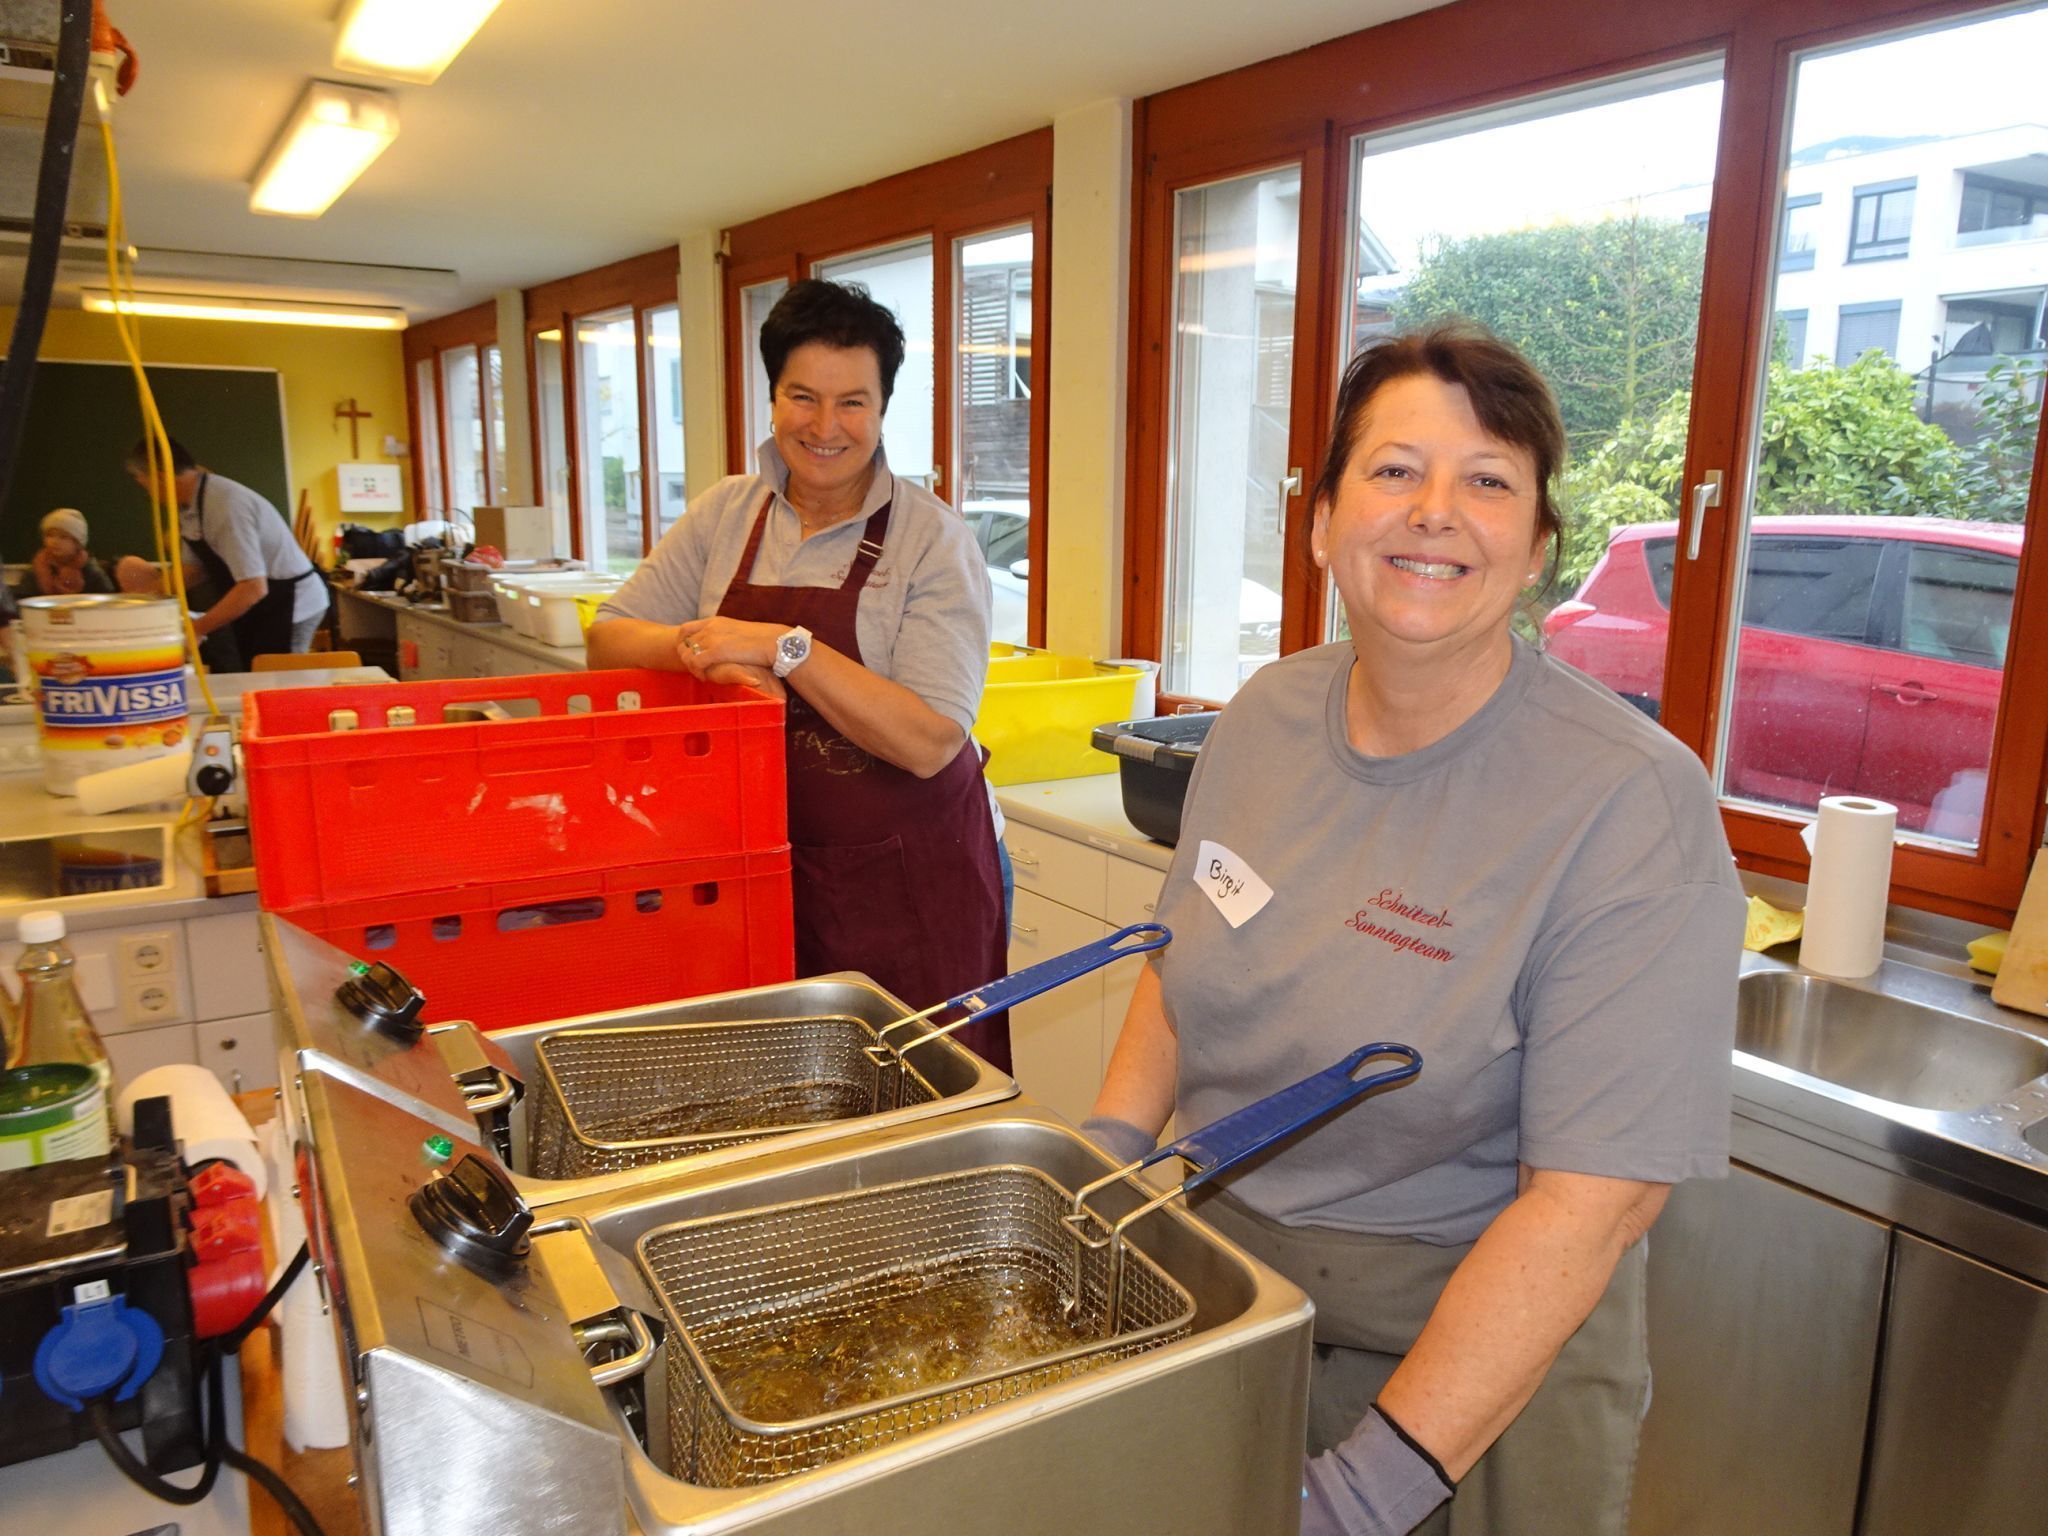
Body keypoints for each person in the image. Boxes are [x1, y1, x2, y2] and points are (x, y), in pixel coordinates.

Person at [1083, 321, 1744, 1535]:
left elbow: (1591, 1202)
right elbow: (1180, 970)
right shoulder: (1261, 717)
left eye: (1486, 480)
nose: (1435, 510)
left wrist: (1366, 1492)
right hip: (1230, 1299)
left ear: (1536, 548)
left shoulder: (1627, 803)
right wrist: (1099, 1171)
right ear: (1324, 519)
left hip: (1476, 1359)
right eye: (1393, 470)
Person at [586, 279, 1009, 1068]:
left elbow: (927, 742)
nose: (824, 427)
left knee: (913, 1108)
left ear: (883, 410)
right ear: (772, 396)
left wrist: (787, 645)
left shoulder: (933, 540)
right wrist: (707, 649)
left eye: (853, 402)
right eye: (802, 397)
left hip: (905, 888)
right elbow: (608, 638)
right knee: (771, 1092)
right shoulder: (727, 512)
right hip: (749, 870)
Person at [124, 437, 325, 659]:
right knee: (255, 672)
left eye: (144, 485)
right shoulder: (189, 505)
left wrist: (198, 629)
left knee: (275, 679)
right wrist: (142, 601)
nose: (148, 495)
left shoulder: (224, 506)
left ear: (160, 478)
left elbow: (253, 587)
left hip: (291, 603)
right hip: (261, 604)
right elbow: (193, 569)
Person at [16, 509, 114, 597]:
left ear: (77, 543)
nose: (54, 541)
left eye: (63, 537)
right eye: (50, 535)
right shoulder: (34, 572)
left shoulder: (91, 572)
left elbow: (106, 602)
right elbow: (22, 604)